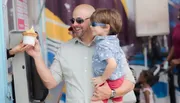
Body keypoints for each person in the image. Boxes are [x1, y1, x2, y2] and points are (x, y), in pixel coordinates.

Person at [25, 4, 135, 103]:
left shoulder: (109, 47)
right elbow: (50, 83)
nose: (74, 24)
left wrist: (111, 93)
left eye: (79, 20)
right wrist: (37, 55)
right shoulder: (64, 49)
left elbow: (129, 82)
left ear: (92, 20)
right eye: (72, 21)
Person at [90, 8, 128, 103]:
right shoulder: (113, 39)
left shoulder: (103, 44)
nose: (90, 26)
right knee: (117, 100)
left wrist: (102, 79)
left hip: (108, 80)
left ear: (106, 27)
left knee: (95, 99)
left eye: (94, 24)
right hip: (119, 79)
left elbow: (112, 64)